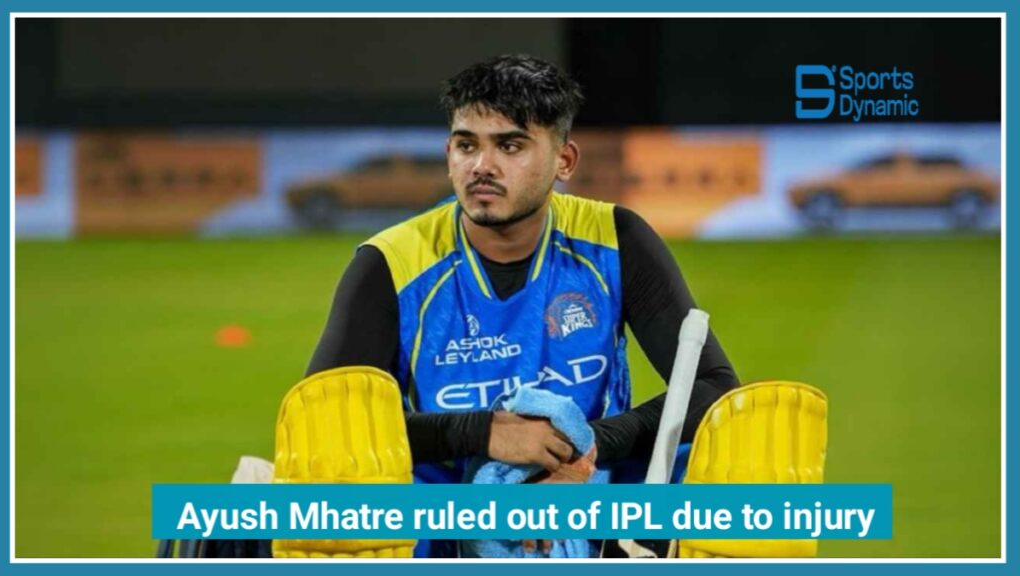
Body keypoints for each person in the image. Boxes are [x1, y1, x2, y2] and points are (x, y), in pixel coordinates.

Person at [305, 54, 739, 557]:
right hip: (440, 514)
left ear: (564, 161)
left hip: (591, 491)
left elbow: (714, 386)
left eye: (510, 145)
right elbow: (327, 419)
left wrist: (585, 449)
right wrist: (482, 433)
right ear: (448, 153)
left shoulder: (615, 240)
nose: (482, 166)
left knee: (735, 464)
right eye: (467, 145)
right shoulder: (391, 263)